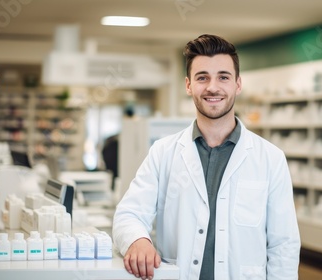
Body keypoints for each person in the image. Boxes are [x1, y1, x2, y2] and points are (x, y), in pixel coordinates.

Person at [113, 34, 301, 280]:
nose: (213, 87)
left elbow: (283, 244)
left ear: (238, 84)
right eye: (202, 78)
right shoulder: (163, 152)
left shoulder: (270, 158)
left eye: (223, 77)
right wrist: (138, 240)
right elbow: (129, 214)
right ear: (188, 85)